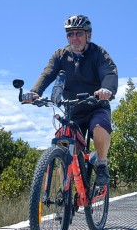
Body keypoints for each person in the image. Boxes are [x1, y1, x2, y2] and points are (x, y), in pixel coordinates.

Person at [22, 14, 118, 186]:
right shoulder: (60, 55)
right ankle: (64, 196)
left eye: (79, 33)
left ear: (88, 35)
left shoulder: (98, 53)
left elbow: (109, 72)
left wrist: (107, 90)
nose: (75, 38)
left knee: (99, 127)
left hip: (96, 105)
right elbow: (47, 73)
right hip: (73, 110)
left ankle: (102, 164)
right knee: (65, 149)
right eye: (70, 34)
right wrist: (34, 92)